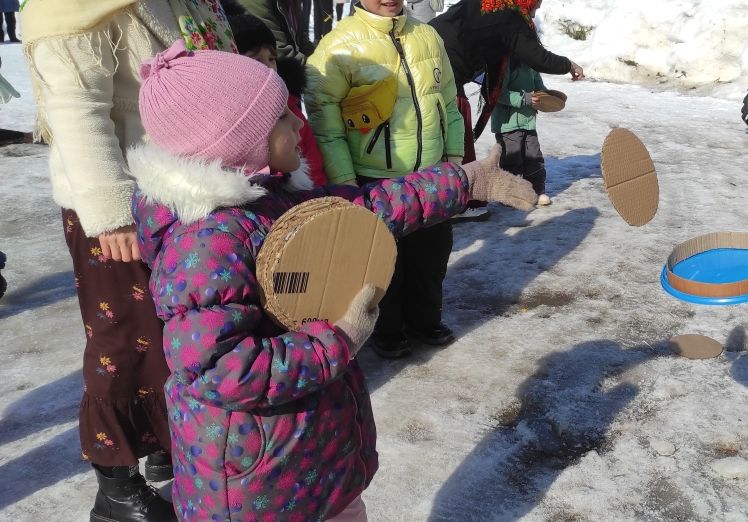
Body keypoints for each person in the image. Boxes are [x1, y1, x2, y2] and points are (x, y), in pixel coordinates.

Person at [128, 41, 534, 520]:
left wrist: (466, 183)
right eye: (281, 117)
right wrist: (335, 341)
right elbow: (220, 369)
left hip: (314, 463)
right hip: (258, 487)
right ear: (234, 142)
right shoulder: (205, 242)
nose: (299, 124)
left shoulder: (269, 199)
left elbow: (366, 210)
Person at [22, 1, 235, 520]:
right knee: (121, 340)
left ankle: (166, 448)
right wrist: (112, 213)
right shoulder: (73, 7)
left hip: (181, 193)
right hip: (121, 209)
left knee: (174, 331)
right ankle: (115, 485)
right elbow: (77, 110)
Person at [306, 0, 466, 358]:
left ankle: (425, 320)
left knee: (432, 255)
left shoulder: (427, 35)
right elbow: (325, 125)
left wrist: (453, 158)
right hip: (374, 180)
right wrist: (346, 183)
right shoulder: (338, 45)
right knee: (382, 262)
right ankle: (387, 328)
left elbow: (450, 102)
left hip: (431, 174)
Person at [430, 0, 584, 219]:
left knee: (440, 134)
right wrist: (569, 65)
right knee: (456, 136)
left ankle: (444, 195)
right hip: (442, 73)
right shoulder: (509, 15)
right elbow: (537, 57)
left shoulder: (490, 4)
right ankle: (464, 201)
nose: (536, 11)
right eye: (536, 4)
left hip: (427, 58)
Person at [229, 13, 328, 186]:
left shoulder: (290, 108)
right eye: (256, 59)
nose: (269, 68)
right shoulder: (231, 121)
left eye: (271, 59)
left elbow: (313, 165)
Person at [492, 58, 554, 207]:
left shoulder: (532, 65)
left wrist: (545, 97)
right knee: (512, 160)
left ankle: (536, 192)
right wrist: (524, 98)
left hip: (528, 122)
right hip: (508, 123)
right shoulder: (505, 65)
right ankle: (510, 195)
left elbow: (539, 87)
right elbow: (499, 93)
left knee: (534, 157)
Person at [238, 0, 315, 65]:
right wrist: (315, 70)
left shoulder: (292, 2)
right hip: (271, 74)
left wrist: (319, 56)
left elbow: (302, 40)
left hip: (297, 69)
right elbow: (278, 51)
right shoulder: (254, 2)